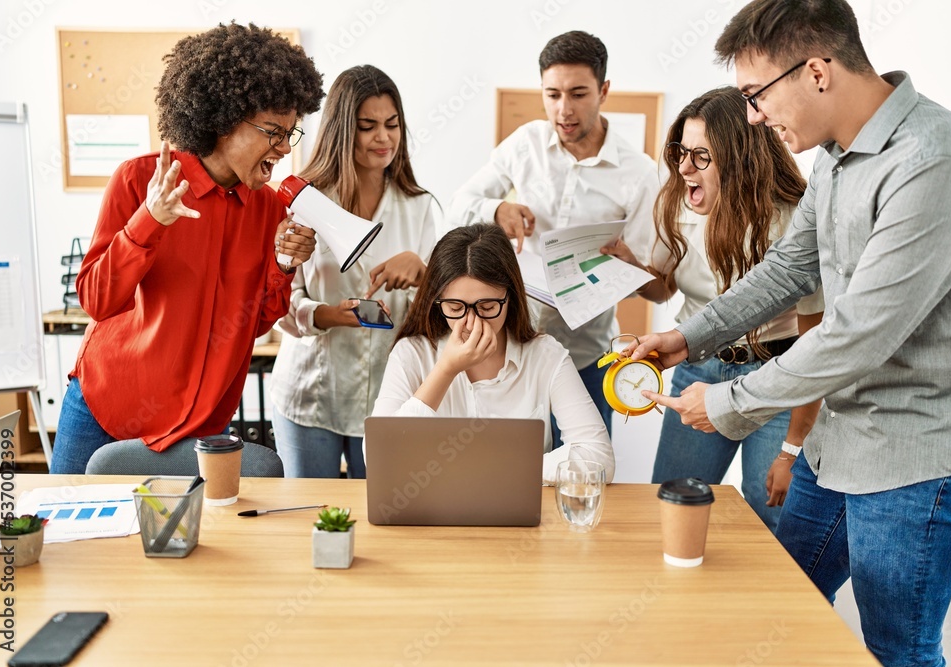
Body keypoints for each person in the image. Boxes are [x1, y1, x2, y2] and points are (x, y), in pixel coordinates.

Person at [626, 1, 951, 664]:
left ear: (816, 71)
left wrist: (731, 402)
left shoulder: (937, 161)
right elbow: (787, 268)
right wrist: (688, 339)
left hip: (915, 459)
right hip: (842, 441)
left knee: (896, 649)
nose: (756, 116)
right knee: (782, 602)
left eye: (757, 95)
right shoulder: (838, 160)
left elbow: (858, 333)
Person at [50, 23, 325, 474]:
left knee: (185, 543)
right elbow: (97, 300)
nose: (283, 148)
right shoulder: (140, 181)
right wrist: (149, 222)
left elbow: (252, 326)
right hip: (104, 409)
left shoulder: (269, 210)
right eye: (273, 132)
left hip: (198, 427)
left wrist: (281, 264)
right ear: (222, 121)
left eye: (290, 133)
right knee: (71, 539)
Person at [600, 86, 823, 532]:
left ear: (739, 157)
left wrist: (792, 449)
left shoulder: (795, 222)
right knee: (672, 508)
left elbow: (815, 345)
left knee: (771, 525)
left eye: (701, 156)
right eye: (681, 151)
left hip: (774, 379)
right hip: (697, 369)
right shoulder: (678, 204)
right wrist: (630, 269)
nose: (684, 167)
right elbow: (662, 290)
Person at [447, 30, 657, 444]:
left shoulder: (639, 172)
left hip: (586, 356)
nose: (564, 109)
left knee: (586, 468)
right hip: (512, 348)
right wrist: (497, 209)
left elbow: (649, 275)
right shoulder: (525, 144)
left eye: (578, 94)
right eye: (552, 94)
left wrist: (624, 267)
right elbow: (459, 202)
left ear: (604, 90)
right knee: (506, 471)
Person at [269, 65, 438, 479]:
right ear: (343, 130)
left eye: (392, 124)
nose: (384, 138)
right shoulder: (302, 202)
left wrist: (424, 275)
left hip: (391, 396)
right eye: (368, 126)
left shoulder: (418, 207)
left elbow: (442, 311)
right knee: (310, 518)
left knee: (386, 518)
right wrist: (328, 315)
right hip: (311, 394)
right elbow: (277, 302)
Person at [371, 223, 614, 484]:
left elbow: (598, 456)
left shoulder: (546, 355)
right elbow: (377, 456)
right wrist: (446, 369)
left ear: (511, 297)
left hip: (518, 515)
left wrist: (501, 467)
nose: (472, 321)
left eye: (487, 306)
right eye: (455, 307)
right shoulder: (412, 353)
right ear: (437, 301)